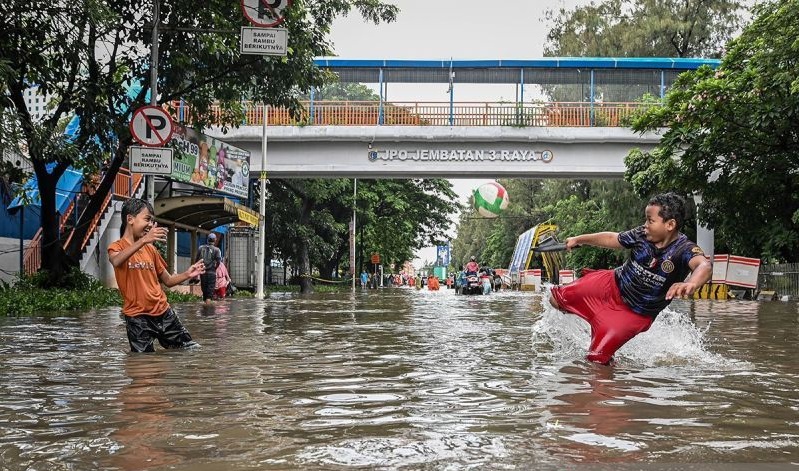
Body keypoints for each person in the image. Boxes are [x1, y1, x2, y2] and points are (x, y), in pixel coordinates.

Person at [548, 192, 712, 365]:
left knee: (596, 361)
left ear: (670, 224)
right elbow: (612, 238)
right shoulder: (641, 235)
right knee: (555, 299)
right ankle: (593, 321)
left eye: (650, 220)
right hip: (610, 285)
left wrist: (691, 283)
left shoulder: (684, 249)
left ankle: (612, 362)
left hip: (634, 314)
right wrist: (578, 239)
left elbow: (704, 266)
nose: (645, 225)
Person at [108, 198, 203, 353]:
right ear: (130, 219)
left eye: (152, 221)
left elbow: (168, 280)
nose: (150, 224)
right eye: (147, 219)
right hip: (137, 318)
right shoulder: (116, 247)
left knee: (190, 349)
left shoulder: (151, 250)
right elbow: (116, 260)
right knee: (143, 360)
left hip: (163, 312)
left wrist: (187, 273)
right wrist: (144, 240)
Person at [196, 233, 222, 304]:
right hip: (211, 273)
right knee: (209, 295)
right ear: (215, 240)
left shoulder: (201, 248)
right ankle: (208, 309)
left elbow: (196, 260)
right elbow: (218, 262)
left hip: (203, 273)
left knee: (204, 293)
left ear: (207, 239)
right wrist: (215, 268)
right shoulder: (217, 250)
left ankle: (204, 309)